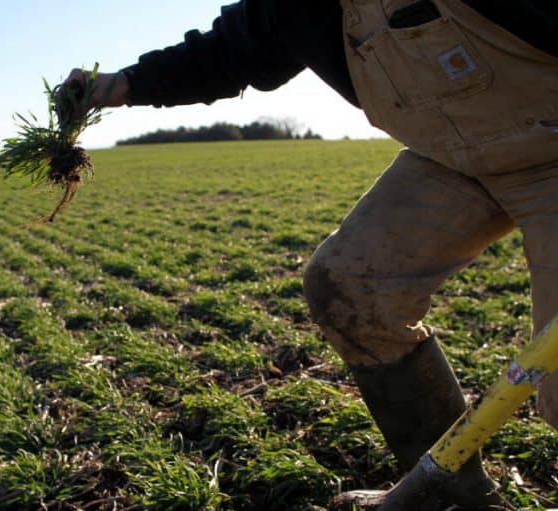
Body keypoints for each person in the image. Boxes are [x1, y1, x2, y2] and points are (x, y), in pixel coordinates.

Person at [63, 1, 558, 509]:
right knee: (349, 286)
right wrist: (120, 86)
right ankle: (452, 494)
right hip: (451, 159)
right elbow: (234, 49)